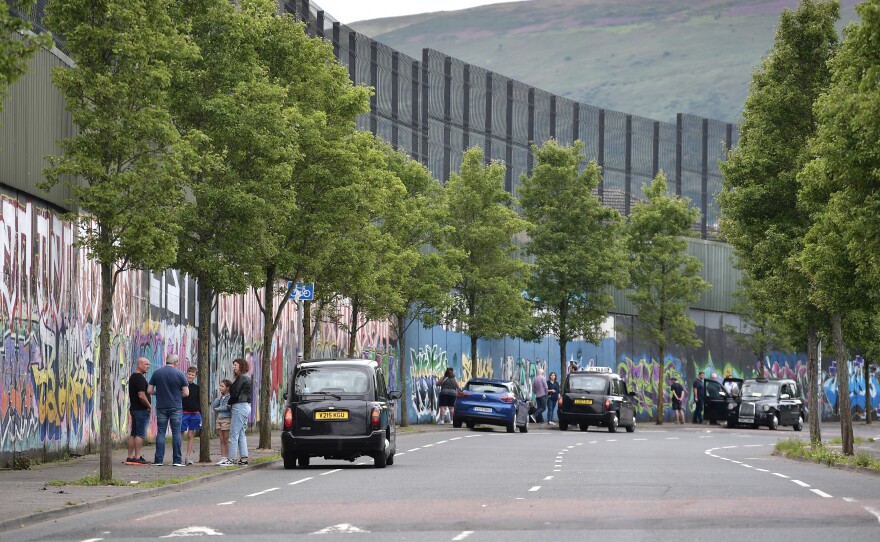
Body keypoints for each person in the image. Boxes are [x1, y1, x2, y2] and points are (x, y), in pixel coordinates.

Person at [148, 354, 189, 466]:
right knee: (176, 433)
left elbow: (150, 390)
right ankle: (177, 460)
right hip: (176, 406)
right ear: (175, 362)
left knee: (161, 432)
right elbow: (186, 393)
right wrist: (176, 395)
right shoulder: (180, 374)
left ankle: (159, 460)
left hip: (161, 406)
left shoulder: (157, 373)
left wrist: (160, 393)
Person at [126, 357, 152, 465]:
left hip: (134, 409)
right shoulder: (140, 378)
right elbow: (141, 395)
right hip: (141, 410)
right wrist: (149, 406)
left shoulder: (132, 377)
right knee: (140, 434)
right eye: (146, 364)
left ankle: (130, 456)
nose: (148, 367)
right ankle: (137, 457)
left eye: (149, 364)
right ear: (139, 365)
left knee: (134, 433)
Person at [227, 358, 253, 466]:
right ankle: (243, 458)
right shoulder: (247, 378)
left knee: (234, 433)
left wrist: (229, 402)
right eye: (233, 365)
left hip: (239, 406)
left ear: (241, 366)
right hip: (245, 406)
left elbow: (235, 393)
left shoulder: (241, 378)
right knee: (241, 433)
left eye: (235, 365)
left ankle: (231, 459)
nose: (234, 367)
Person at [182, 366, 201, 465]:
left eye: (192, 375)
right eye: (189, 374)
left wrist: (200, 413)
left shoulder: (197, 388)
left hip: (195, 414)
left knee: (191, 434)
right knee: (180, 434)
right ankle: (177, 455)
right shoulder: (182, 386)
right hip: (184, 413)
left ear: (195, 376)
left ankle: (188, 456)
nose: (190, 376)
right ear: (186, 374)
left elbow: (199, 401)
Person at [213, 379, 232, 465]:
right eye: (220, 386)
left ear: (227, 388)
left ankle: (228, 457)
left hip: (226, 419)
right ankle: (223, 457)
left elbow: (227, 407)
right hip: (219, 419)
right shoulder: (221, 397)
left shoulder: (229, 397)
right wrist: (219, 397)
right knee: (221, 439)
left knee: (226, 439)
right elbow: (214, 404)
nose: (220, 388)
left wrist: (218, 409)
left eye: (222, 386)